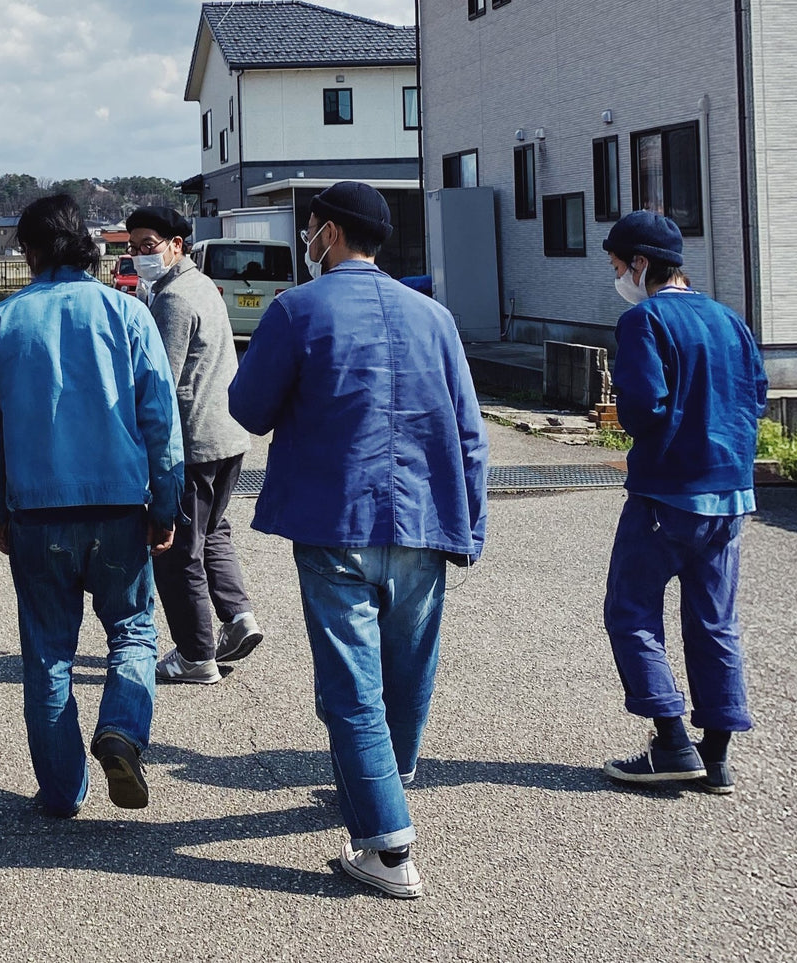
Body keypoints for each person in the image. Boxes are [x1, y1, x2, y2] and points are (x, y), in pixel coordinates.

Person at [228, 182, 487, 899]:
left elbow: (247, 409)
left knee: (350, 685)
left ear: (330, 233)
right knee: (407, 669)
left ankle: (388, 843)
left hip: (334, 516)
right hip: (427, 519)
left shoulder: (296, 309)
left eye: (311, 228)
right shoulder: (434, 317)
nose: (307, 239)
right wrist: (472, 527)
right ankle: (387, 782)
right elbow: (470, 431)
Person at [0, 193, 183, 816]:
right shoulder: (128, 314)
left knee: (47, 652)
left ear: (30, 251)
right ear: (88, 248)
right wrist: (165, 503)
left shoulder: (2, 322)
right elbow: (159, 421)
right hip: (120, 505)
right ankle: (120, 726)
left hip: (37, 511)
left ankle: (62, 790)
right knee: (135, 632)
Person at [598, 211, 767, 794]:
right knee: (715, 621)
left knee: (632, 611)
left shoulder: (644, 319)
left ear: (641, 265)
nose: (619, 277)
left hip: (666, 491)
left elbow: (643, 407)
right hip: (731, 492)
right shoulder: (728, 319)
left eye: (620, 266)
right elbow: (758, 395)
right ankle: (715, 756)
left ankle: (671, 741)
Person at [124, 206, 261, 685]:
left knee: (179, 550)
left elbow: (161, 381)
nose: (140, 255)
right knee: (215, 532)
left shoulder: (172, 299)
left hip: (195, 443)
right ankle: (239, 616)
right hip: (228, 435)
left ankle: (195, 655)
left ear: (176, 245)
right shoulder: (202, 286)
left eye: (149, 245)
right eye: (133, 246)